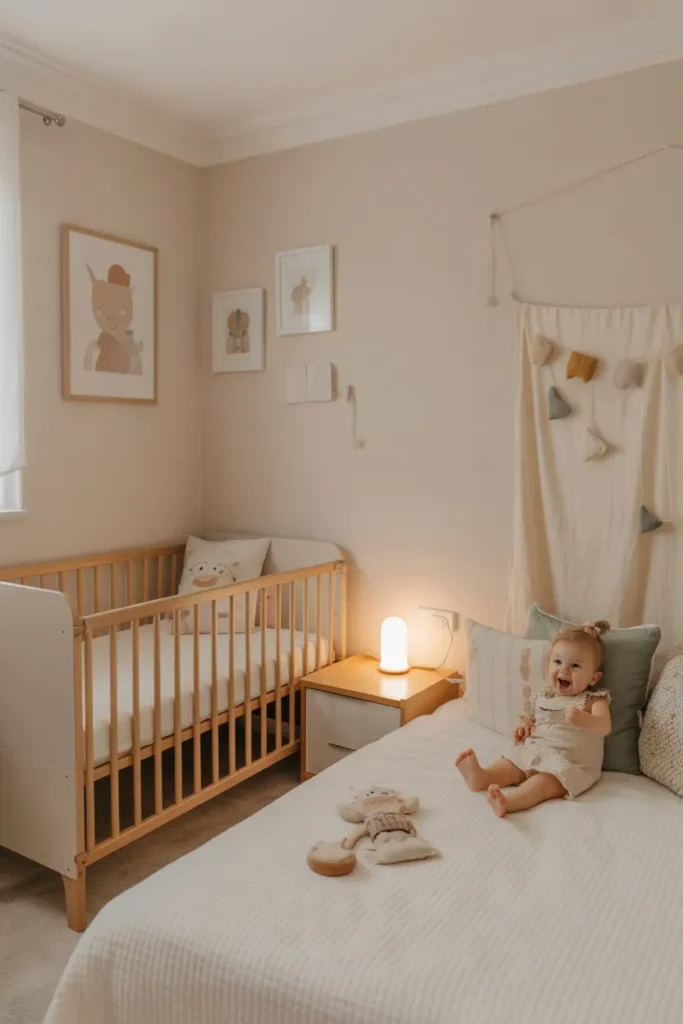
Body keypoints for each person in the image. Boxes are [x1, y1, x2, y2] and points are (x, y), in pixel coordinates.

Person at [456, 621, 612, 817]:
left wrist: (585, 720)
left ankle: (509, 802)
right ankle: (482, 776)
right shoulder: (545, 697)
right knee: (512, 763)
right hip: (537, 750)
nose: (563, 671)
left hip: (569, 763)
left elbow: (604, 726)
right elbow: (535, 722)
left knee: (542, 784)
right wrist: (524, 729)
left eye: (575, 666)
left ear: (593, 678)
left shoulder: (593, 700)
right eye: (557, 662)